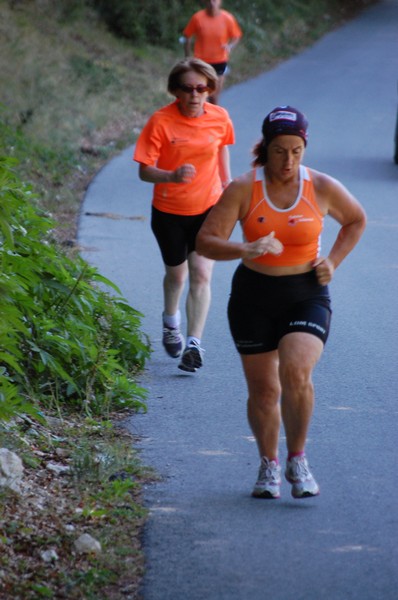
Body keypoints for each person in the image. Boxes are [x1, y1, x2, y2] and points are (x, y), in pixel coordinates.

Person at [196, 106, 366, 498]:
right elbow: (206, 240)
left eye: (296, 150)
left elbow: (356, 219)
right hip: (253, 297)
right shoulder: (243, 188)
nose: (288, 160)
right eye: (279, 150)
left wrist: (332, 262)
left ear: (304, 148)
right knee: (264, 391)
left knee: (296, 371)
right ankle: (268, 464)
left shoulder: (321, 186)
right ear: (265, 148)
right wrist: (245, 247)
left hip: (305, 293)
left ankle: (297, 458)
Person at [133, 58, 235, 373]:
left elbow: (221, 147)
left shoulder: (219, 117)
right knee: (177, 276)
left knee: (202, 274)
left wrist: (227, 182)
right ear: (176, 91)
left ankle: (194, 344)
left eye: (201, 88)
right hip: (169, 213)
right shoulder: (161, 121)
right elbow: (144, 171)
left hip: (209, 209)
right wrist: (171, 176)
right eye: (187, 88)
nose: (194, 95)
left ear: (209, 89)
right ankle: (170, 321)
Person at [183, 0, 242, 105]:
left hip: (219, 61)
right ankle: (201, 119)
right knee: (201, 96)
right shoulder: (197, 18)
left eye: (215, 0)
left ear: (220, 2)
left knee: (214, 96)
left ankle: (213, 120)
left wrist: (230, 46)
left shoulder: (227, 18)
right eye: (209, 0)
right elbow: (187, 36)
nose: (212, 3)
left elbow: (236, 36)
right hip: (201, 62)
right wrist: (188, 58)